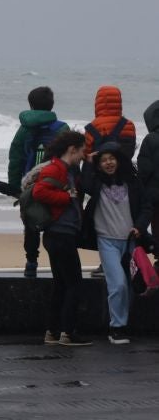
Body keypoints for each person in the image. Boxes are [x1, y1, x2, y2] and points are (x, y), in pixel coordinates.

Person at [80, 142, 152, 345]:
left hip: (131, 242)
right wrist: (88, 162)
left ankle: (123, 323)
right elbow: (84, 185)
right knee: (118, 284)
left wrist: (139, 226)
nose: (108, 163)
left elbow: (146, 207)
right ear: (99, 164)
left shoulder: (133, 183)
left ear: (119, 160)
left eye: (112, 159)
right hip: (107, 241)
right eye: (103, 160)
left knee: (130, 286)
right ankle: (116, 328)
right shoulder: (96, 183)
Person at [34, 130, 90, 346]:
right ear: (72, 149)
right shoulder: (56, 168)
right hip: (60, 233)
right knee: (74, 284)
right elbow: (40, 192)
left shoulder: (67, 169)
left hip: (59, 234)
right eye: (82, 151)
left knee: (61, 284)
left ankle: (53, 332)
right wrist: (67, 197)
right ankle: (68, 333)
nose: (84, 155)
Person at [8, 87, 69, 277]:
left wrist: (14, 186)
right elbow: (69, 158)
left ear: (31, 105)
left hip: (29, 184)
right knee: (55, 223)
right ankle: (57, 264)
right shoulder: (62, 128)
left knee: (31, 224)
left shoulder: (24, 129)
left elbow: (16, 157)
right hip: (55, 183)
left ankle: (31, 262)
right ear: (52, 105)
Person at [83, 85, 137, 278]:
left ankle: (105, 262)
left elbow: (87, 156)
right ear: (119, 102)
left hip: (99, 183)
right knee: (126, 220)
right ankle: (129, 262)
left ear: (97, 103)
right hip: (125, 179)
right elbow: (130, 152)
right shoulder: (128, 125)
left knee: (104, 224)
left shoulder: (90, 128)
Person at [136, 100, 159, 250]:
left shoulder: (151, 139)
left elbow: (144, 169)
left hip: (154, 193)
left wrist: (139, 189)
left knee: (157, 226)